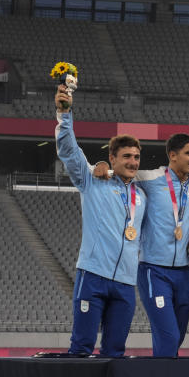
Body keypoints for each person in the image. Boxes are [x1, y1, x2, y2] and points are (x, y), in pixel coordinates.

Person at [54, 83, 145, 358]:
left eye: (137, 157)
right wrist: (64, 115)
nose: (132, 162)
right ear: (111, 158)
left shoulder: (142, 196)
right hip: (93, 275)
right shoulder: (92, 182)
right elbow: (70, 152)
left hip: (126, 284)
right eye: (126, 156)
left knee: (115, 351)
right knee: (81, 347)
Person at [94, 134, 189, 358]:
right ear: (173, 155)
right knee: (169, 336)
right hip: (153, 271)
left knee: (178, 336)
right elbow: (120, 172)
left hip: (183, 272)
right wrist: (101, 165)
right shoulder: (150, 178)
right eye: (188, 153)